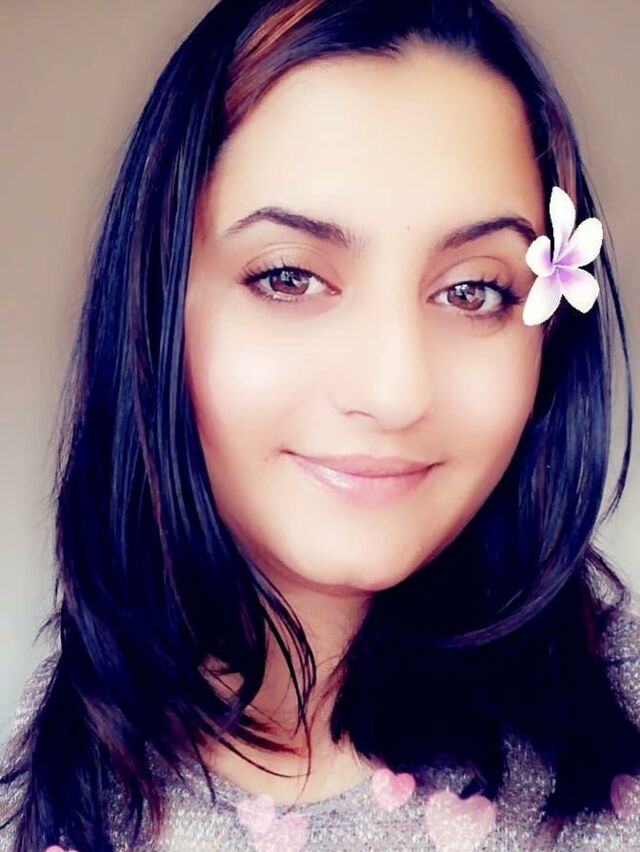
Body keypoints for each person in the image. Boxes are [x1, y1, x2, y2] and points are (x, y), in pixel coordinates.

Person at [1, 0, 638, 849]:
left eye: (473, 290)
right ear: (156, 307)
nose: (395, 391)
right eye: (290, 277)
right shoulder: (53, 783)